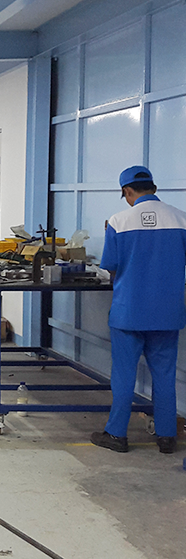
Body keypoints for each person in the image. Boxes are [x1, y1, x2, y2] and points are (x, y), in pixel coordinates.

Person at [91, 165, 186, 454]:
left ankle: (116, 434)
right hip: (167, 313)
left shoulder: (119, 222)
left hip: (128, 312)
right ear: (153, 188)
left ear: (127, 191)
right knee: (164, 375)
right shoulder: (181, 219)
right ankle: (167, 437)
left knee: (123, 375)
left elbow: (111, 267)